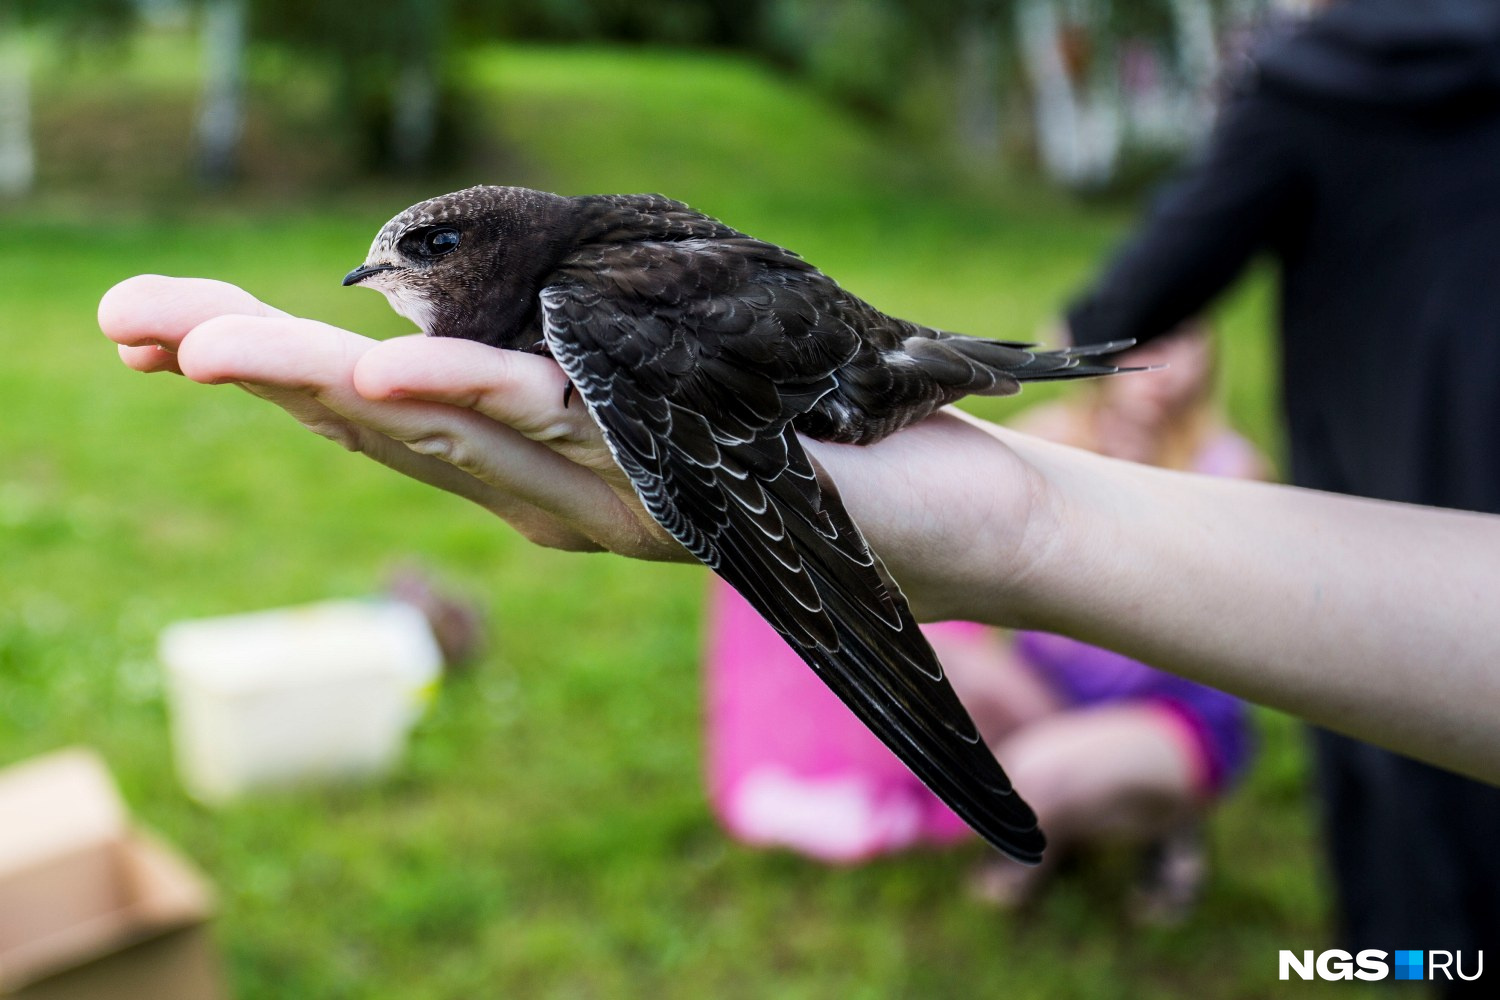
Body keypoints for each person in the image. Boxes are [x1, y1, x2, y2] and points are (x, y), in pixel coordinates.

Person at [97, 275, 1500, 793]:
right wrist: (1027, 525)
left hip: (855, 371)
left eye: (419, 263)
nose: (383, 288)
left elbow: (753, 470)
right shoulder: (588, 287)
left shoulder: (595, 298)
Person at [1060, 0, 1500, 973]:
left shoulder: (1319, 80)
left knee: (1416, 755)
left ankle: (1433, 961)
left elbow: (1135, 295)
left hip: (1399, 489)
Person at [704, 326, 1261, 919]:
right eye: (1146, 335)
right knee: (924, 674)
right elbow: (938, 486)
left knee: (1031, 776)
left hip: (1170, 710)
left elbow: (1231, 625)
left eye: (1182, 341)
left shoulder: (1227, 469)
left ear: (1209, 358)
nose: (1158, 361)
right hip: (1050, 685)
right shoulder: (1056, 435)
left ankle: (1163, 826)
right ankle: (1065, 812)